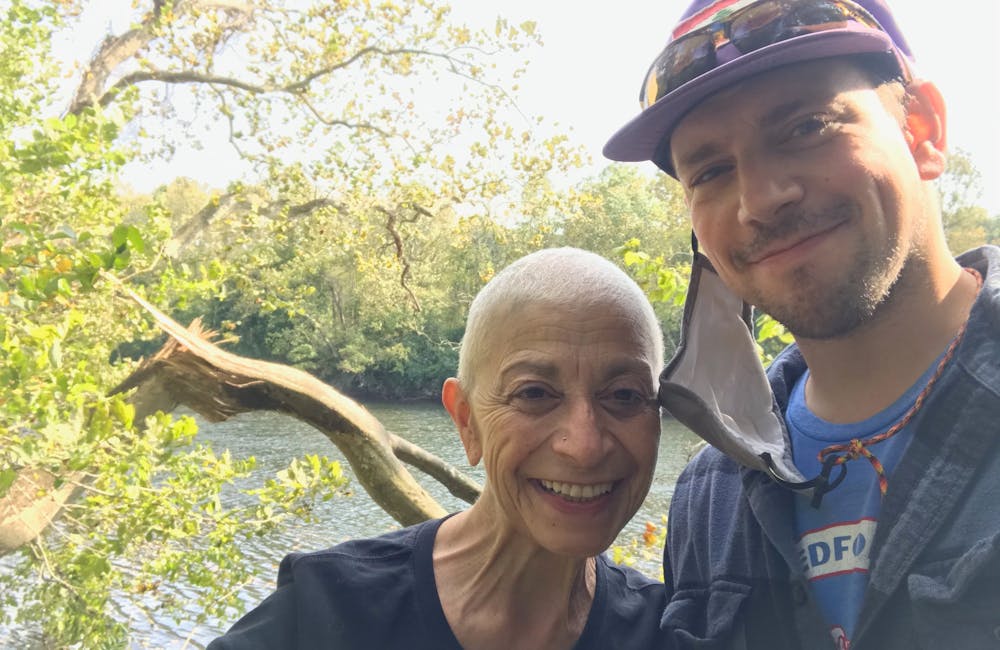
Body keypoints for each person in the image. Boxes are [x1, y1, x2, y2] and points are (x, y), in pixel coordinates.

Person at [604, 1, 1000, 648]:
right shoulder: (710, 495)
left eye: (806, 126)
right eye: (710, 171)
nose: (759, 200)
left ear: (922, 129)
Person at [207, 247, 667, 649]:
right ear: (467, 420)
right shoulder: (328, 611)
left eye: (625, 395)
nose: (584, 446)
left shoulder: (662, 631)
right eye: (534, 394)